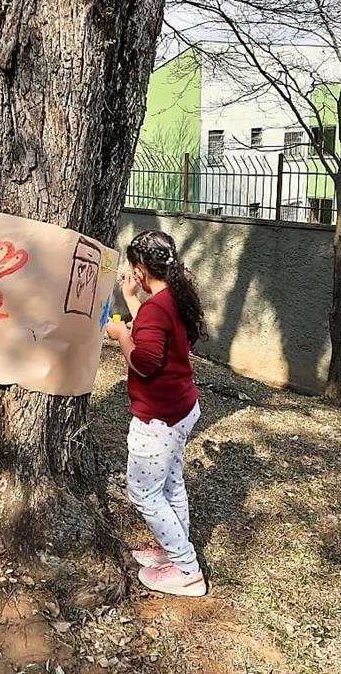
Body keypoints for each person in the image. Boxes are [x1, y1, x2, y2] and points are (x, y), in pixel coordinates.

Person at [105, 230, 207, 597]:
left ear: (141, 269)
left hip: (159, 419)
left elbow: (145, 362)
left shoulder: (156, 309)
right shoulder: (172, 298)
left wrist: (120, 335)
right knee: (170, 484)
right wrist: (131, 300)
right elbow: (153, 333)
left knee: (145, 493)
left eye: (134, 270)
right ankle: (172, 550)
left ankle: (187, 569)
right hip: (181, 408)